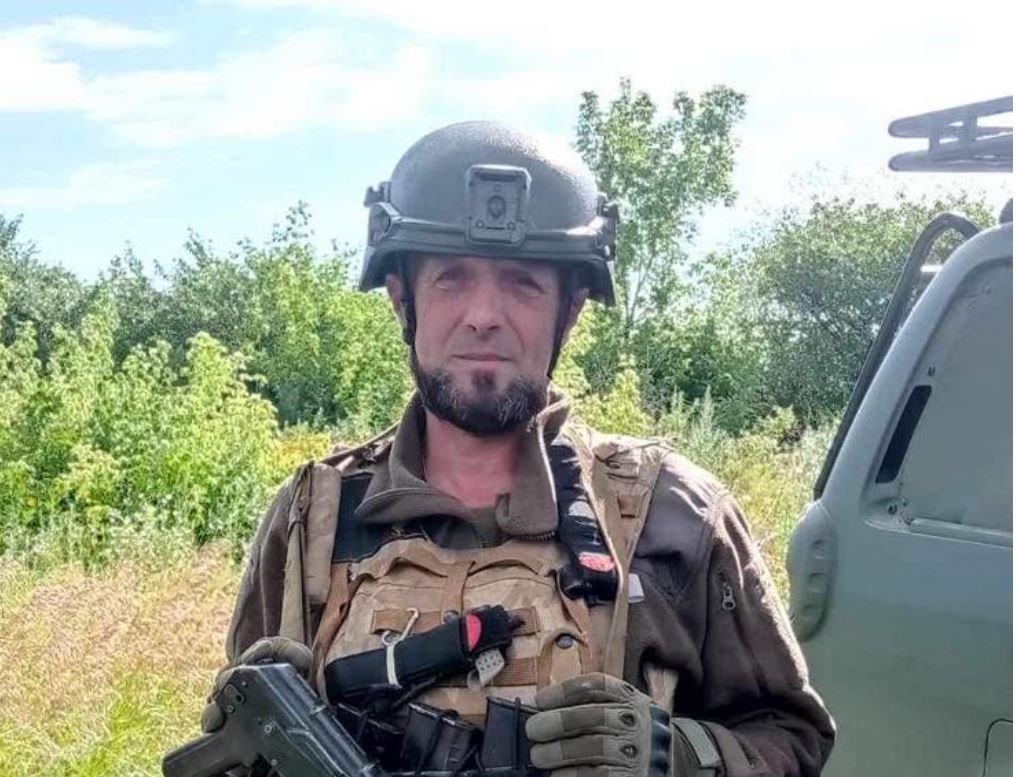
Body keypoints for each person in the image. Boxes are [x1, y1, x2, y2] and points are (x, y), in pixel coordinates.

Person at [202, 121, 835, 777]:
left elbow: (793, 738)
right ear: (401, 299)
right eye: (451, 278)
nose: (484, 315)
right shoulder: (313, 518)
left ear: (571, 310)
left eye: (523, 283)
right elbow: (235, 737)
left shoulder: (676, 516)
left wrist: (677, 757)